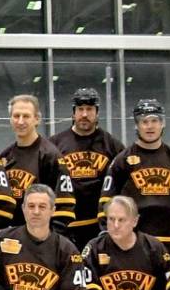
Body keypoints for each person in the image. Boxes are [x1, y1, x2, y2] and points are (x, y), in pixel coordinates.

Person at [99, 99, 170, 255]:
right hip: (135, 244)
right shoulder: (122, 160)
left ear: (162, 123)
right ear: (137, 125)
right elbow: (106, 202)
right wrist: (107, 234)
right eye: (144, 121)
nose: (150, 126)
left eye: (155, 121)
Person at [50, 87, 126, 248]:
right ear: (73, 113)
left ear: (97, 113)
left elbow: (122, 187)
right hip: (64, 228)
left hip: (99, 228)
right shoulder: (54, 145)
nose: (84, 114)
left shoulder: (113, 146)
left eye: (89, 109)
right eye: (80, 109)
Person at [0, 95, 67, 233]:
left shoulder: (51, 156)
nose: (20, 121)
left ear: (37, 119)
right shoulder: (4, 156)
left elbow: (63, 206)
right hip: (10, 235)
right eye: (16, 116)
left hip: (39, 237)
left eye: (26, 116)